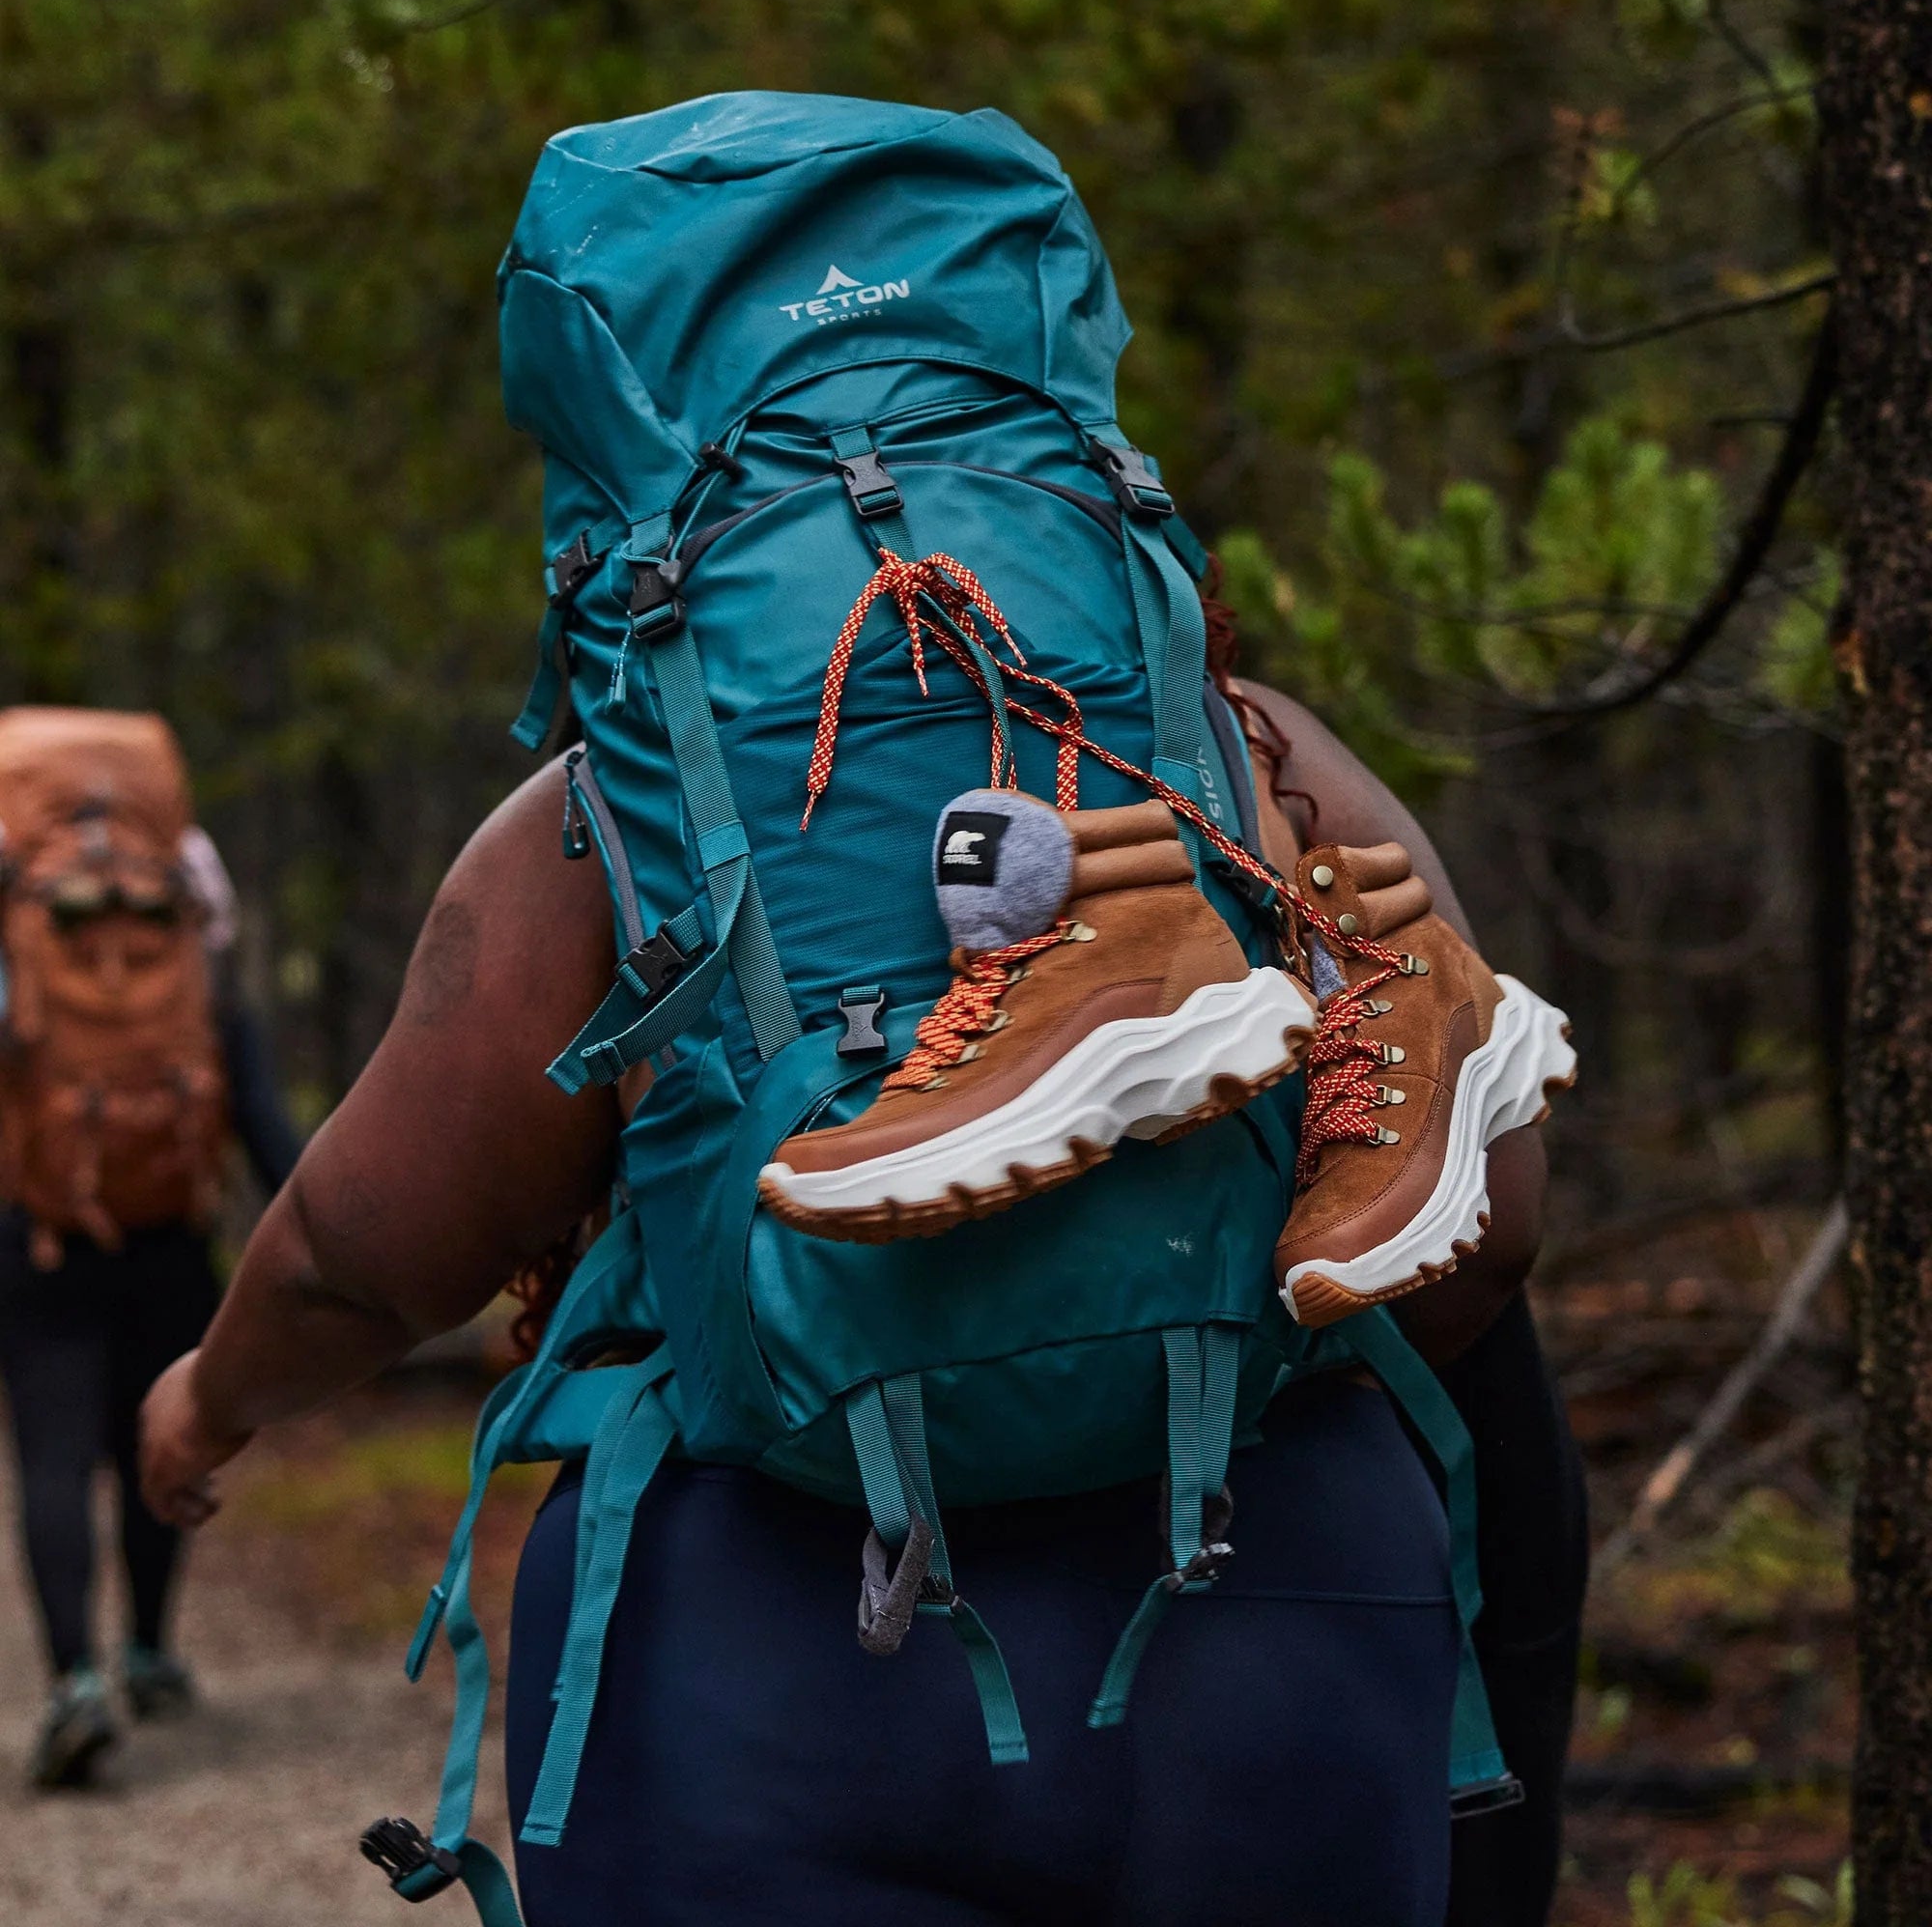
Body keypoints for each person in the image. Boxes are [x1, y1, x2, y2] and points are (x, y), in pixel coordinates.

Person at [139, 682, 1580, 1926]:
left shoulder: (617, 800)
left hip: (766, 1665)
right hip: (1278, 1617)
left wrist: (205, 1403)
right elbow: (1489, 1226)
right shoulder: (1249, 754)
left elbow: (366, 1250)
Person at [0, 799, 301, 1790]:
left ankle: (74, 1677)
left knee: (52, 1453)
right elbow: (250, 1099)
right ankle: (146, 1646)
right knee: (155, 1431)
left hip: (40, 1230)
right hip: (170, 1229)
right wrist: (322, 1238)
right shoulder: (183, 874)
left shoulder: (19, 897)